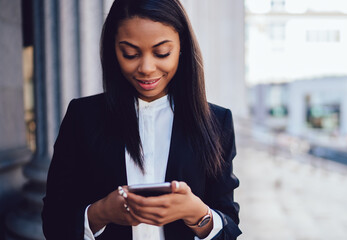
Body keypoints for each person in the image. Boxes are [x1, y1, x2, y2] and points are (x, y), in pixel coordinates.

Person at [41, 0, 241, 239]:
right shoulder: (83, 117)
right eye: (130, 54)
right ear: (113, 50)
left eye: (162, 53)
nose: (146, 68)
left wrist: (197, 213)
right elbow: (53, 222)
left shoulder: (217, 122)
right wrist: (101, 213)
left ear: (182, 48)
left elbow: (230, 229)